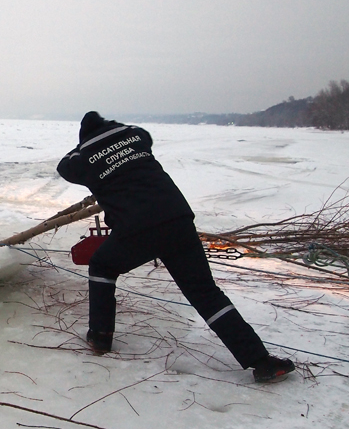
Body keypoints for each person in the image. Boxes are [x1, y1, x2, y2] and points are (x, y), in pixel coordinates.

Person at [57, 111, 295, 383]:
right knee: (205, 293)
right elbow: (143, 134)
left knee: (102, 265)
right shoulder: (134, 136)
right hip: (177, 220)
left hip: (137, 229)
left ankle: (100, 336)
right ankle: (260, 361)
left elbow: (64, 166)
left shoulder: (84, 158)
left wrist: (85, 148)